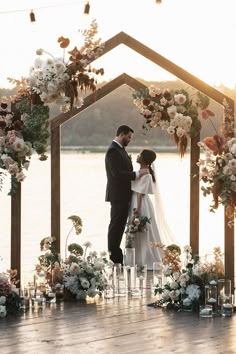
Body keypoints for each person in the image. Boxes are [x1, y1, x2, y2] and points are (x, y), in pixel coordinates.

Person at [105, 125, 148, 264]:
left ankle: (119, 258)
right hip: (118, 196)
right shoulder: (113, 151)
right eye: (129, 137)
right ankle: (115, 258)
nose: (130, 140)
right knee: (116, 226)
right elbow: (116, 173)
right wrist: (137, 174)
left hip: (124, 196)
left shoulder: (121, 150)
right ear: (122, 135)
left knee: (120, 226)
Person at [128, 149, 176, 269]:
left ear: (144, 158)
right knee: (137, 230)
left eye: (140, 155)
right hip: (135, 201)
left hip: (140, 203)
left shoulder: (147, 174)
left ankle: (143, 258)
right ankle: (136, 258)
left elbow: (140, 193)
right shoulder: (141, 171)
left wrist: (138, 208)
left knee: (142, 229)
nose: (137, 156)